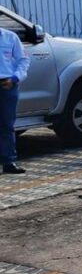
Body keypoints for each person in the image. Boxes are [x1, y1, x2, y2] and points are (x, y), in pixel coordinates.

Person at [0, 25, 29, 174]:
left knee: (7, 124)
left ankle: (8, 161)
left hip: (7, 84)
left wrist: (15, 78)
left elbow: (23, 60)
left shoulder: (10, 37)